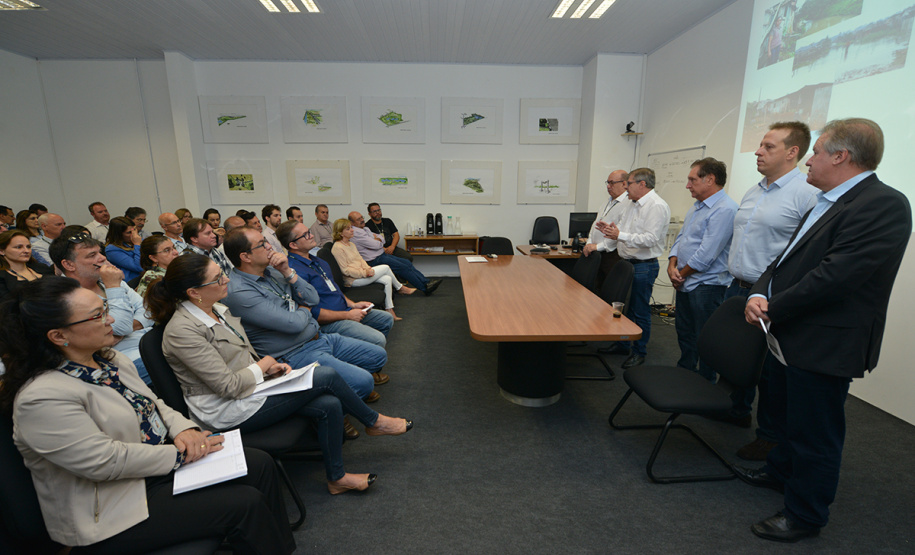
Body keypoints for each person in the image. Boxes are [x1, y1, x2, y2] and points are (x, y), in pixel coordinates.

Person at [0, 277, 296, 554]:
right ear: (58, 335)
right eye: (97, 316)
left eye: (103, 309)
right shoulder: (41, 397)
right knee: (244, 504)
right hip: (114, 505)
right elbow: (105, 461)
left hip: (153, 472)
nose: (111, 319)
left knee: (258, 463)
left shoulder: (109, 360)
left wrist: (185, 430)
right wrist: (181, 455)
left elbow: (154, 403)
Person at [737, 118, 912, 542]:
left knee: (815, 433)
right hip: (789, 331)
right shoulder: (828, 199)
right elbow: (785, 260)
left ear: (841, 156)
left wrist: (772, 306)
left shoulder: (882, 204)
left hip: (825, 340)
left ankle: (805, 515)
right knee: (785, 417)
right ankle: (780, 472)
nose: (809, 160)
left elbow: (836, 277)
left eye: (815, 152)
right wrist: (759, 292)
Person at [147, 254, 412, 494]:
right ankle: (373, 422)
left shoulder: (216, 309)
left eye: (222, 272)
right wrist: (263, 366)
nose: (226, 278)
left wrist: (268, 368)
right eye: (218, 278)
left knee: (329, 403)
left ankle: (337, 478)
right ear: (194, 292)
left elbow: (240, 356)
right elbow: (227, 386)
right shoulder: (182, 331)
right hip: (225, 410)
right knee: (325, 376)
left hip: (252, 390)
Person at [723, 122, 817, 454]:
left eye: (768, 146)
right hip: (737, 287)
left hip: (769, 297)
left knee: (768, 372)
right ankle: (735, 411)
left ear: (793, 153)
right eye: (760, 145)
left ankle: (769, 437)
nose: (758, 152)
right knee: (736, 359)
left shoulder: (807, 194)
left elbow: (807, 255)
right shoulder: (754, 190)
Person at [220, 227, 385, 402]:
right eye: (262, 244)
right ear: (245, 257)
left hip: (318, 337)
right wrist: (304, 309)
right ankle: (331, 404)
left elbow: (313, 298)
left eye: (266, 241)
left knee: (378, 356)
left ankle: (336, 388)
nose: (270, 246)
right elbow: (294, 324)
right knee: (365, 382)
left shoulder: (274, 271)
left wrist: (287, 271)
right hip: (293, 353)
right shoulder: (239, 291)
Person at [50, 229, 153, 385]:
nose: (102, 258)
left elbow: (149, 310)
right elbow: (121, 326)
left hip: (146, 343)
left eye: (100, 252)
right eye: (92, 255)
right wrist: (113, 287)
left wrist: (122, 329)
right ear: (69, 264)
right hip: (119, 360)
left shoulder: (108, 280)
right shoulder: (65, 296)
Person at [667, 158, 737, 382]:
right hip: (686, 281)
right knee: (685, 333)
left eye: (692, 179)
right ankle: (685, 373)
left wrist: (680, 274)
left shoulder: (725, 209)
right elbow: (681, 239)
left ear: (710, 179)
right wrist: (671, 265)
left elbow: (707, 254)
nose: (688, 185)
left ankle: (705, 383)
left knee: (705, 338)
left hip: (707, 286)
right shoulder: (697, 207)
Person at [278, 219, 396, 349]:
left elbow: (333, 287)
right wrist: (347, 315)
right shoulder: (293, 272)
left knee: (386, 319)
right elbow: (311, 311)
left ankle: (366, 354)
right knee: (377, 339)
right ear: (293, 245)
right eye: (306, 235)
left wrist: (352, 304)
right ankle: (366, 354)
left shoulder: (318, 260)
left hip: (345, 309)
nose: (311, 236)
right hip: (329, 321)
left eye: (309, 232)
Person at [596, 168, 670, 369]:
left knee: (639, 311)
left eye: (628, 183)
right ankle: (622, 344)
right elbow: (621, 229)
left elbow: (650, 239)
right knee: (620, 308)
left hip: (643, 266)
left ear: (642, 184)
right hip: (626, 263)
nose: (625, 187)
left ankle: (639, 352)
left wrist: (620, 235)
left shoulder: (656, 206)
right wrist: (609, 230)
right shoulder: (631, 203)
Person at [332, 218, 415, 321]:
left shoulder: (351, 244)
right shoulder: (337, 248)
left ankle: (390, 310)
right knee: (386, 267)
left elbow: (361, 260)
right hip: (353, 280)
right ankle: (400, 288)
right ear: (340, 233)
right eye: (348, 229)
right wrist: (365, 272)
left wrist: (367, 269)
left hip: (362, 274)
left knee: (387, 279)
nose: (352, 230)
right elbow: (345, 270)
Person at [349, 211, 442, 296]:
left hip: (381, 255)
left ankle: (426, 282)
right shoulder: (356, 233)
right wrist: (377, 240)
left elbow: (381, 239)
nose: (362, 220)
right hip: (374, 260)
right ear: (352, 223)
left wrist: (377, 240)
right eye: (358, 219)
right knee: (403, 267)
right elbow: (376, 244)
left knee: (407, 262)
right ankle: (425, 288)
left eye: (362, 217)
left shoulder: (365, 229)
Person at [582, 170, 630, 287]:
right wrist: (589, 243)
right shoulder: (607, 202)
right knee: (596, 288)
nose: (608, 186)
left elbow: (618, 233)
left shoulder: (628, 204)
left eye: (612, 183)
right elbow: (595, 224)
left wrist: (598, 247)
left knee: (608, 290)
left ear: (624, 184)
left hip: (611, 255)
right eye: (607, 183)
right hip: (596, 253)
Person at [0, 230, 53, 300]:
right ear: (2, 251)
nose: (26, 251)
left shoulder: (42, 268)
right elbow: (7, 306)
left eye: (28, 247)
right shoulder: (2, 277)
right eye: (19, 247)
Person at [104, 216, 144, 282]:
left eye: (134, 230)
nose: (134, 235)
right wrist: (137, 245)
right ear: (119, 234)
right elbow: (138, 267)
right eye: (129, 232)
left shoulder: (139, 241)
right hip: (132, 283)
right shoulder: (111, 249)